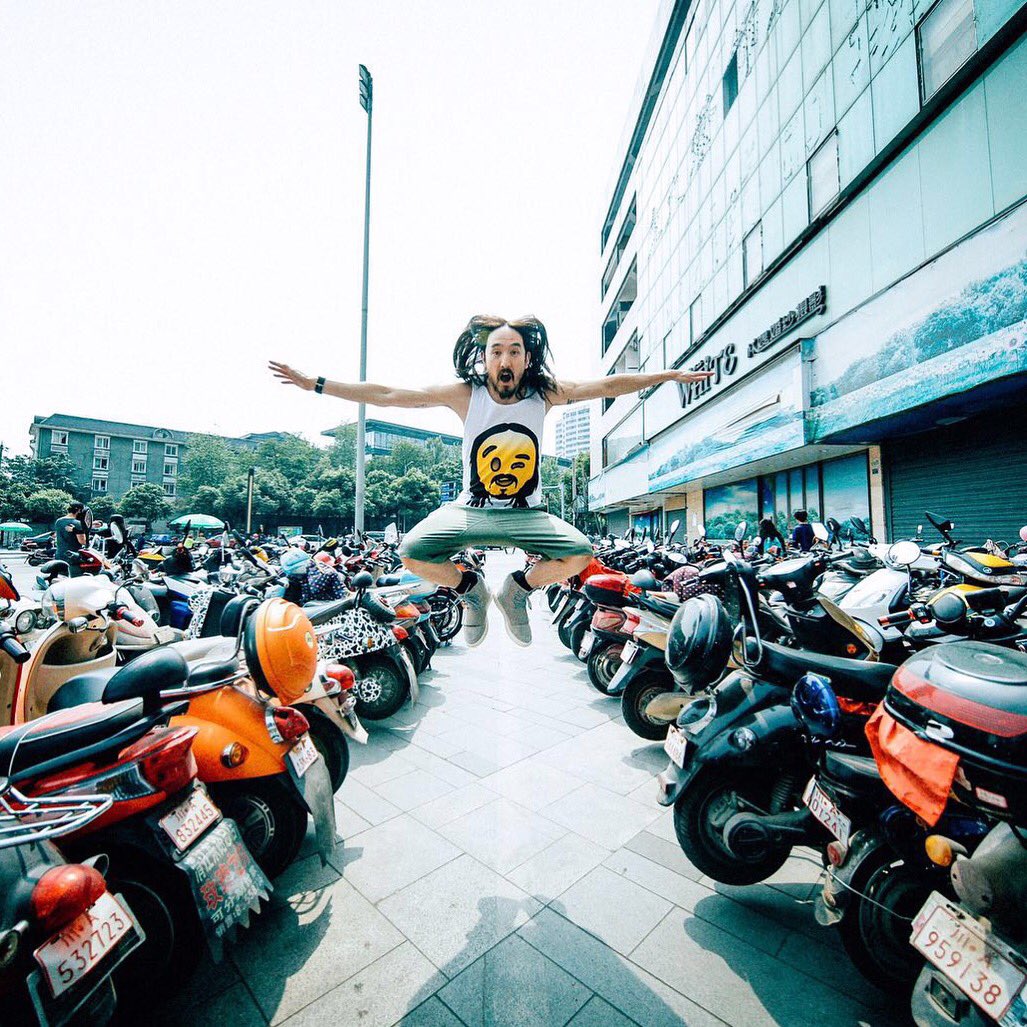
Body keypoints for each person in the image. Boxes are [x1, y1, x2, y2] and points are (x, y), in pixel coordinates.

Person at [270, 314, 710, 647]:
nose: (505, 359)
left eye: (514, 351)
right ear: (484, 357)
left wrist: (667, 376)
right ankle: (471, 590)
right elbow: (389, 395)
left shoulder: (545, 392)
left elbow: (607, 384)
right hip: (470, 511)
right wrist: (317, 385)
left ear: (526, 358)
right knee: (410, 553)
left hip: (526, 514)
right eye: (496, 351)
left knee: (579, 554)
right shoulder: (467, 394)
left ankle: (515, 591)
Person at [54, 501, 86, 576]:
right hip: (73, 556)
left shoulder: (58, 521)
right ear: (79, 510)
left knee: (61, 577)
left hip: (60, 554)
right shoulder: (78, 523)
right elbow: (82, 541)